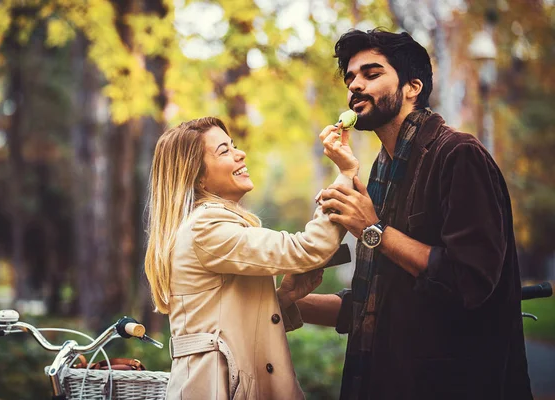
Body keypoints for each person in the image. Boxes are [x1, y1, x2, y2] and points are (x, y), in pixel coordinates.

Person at [280, 28, 532, 400]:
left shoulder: (458, 156)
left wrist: (373, 229)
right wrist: (279, 304)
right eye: (350, 77)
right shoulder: (382, 170)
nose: (355, 86)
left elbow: (470, 281)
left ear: (413, 87)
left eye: (372, 73)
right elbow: (374, 303)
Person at [144, 116, 358, 399]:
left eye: (233, 145)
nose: (240, 153)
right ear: (198, 176)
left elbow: (224, 321)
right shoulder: (205, 228)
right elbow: (307, 249)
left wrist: (282, 297)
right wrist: (346, 173)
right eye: (224, 150)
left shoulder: (210, 226)